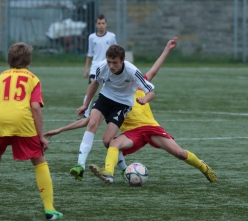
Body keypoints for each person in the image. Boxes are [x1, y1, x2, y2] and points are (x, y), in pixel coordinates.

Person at [88, 37, 217, 184]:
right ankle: (108, 173)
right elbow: (97, 114)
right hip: (132, 132)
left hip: (150, 127)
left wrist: (167, 49)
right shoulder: (112, 95)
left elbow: (154, 70)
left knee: (179, 153)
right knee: (113, 143)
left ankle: (203, 167)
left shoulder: (137, 83)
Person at [0, 42, 63, 220]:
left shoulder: (0, 77)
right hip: (21, 121)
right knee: (39, 162)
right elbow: (35, 108)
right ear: (29, 62)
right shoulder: (32, 78)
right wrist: (41, 137)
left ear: (9, 61)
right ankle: (49, 209)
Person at [71, 44, 155, 180]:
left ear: (123, 60)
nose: (111, 66)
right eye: (109, 62)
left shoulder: (132, 71)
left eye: (115, 62)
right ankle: (80, 166)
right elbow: (95, 84)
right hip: (105, 98)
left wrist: (145, 98)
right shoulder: (102, 66)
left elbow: (151, 92)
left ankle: (123, 170)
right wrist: (86, 104)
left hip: (122, 104)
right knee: (92, 123)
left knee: (107, 141)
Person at [82, 14, 117, 118]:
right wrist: (86, 69)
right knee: (91, 88)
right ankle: (85, 113)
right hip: (95, 67)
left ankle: (112, 111)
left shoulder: (111, 36)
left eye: (103, 23)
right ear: (96, 25)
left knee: (111, 89)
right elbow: (89, 53)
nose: (101, 25)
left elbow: (116, 51)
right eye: (99, 23)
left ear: (106, 24)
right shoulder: (92, 37)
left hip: (108, 66)